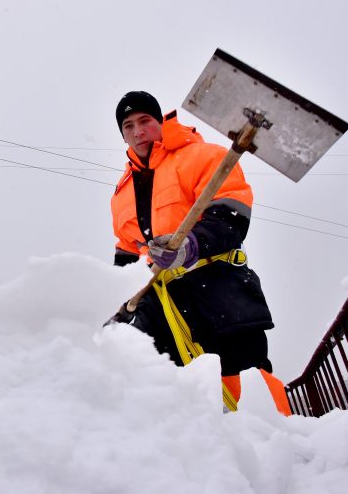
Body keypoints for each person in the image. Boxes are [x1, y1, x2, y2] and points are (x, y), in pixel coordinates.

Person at [107, 91, 290, 414]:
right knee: (161, 388)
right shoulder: (122, 192)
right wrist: (116, 301)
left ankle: (276, 451)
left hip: (216, 287)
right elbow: (126, 253)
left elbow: (231, 211)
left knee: (242, 380)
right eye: (129, 125)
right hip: (161, 302)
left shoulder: (202, 156)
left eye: (145, 121)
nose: (138, 131)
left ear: (160, 121)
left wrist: (191, 245)